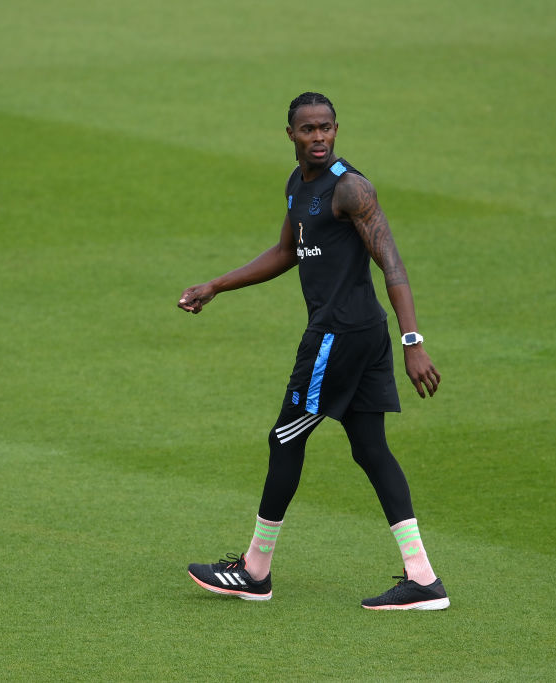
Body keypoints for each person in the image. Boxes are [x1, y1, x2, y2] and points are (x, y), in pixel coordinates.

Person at [178, 92, 448, 610]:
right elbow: (286, 252)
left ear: (337, 130)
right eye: (308, 130)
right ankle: (422, 579)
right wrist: (217, 285)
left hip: (339, 337)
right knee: (370, 448)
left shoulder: (351, 190)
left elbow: (392, 265)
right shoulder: (298, 186)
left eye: (326, 128)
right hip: (356, 334)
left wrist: (413, 342)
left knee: (285, 438)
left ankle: (255, 572)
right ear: (290, 136)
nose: (318, 137)